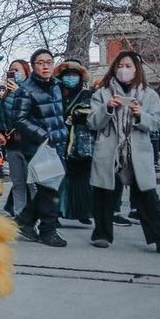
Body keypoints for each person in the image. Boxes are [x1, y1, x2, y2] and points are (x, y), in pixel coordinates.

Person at [88, 51, 160, 254]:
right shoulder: (102, 93)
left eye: (129, 66)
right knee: (104, 194)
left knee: (147, 196)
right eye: (120, 66)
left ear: (137, 69)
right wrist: (107, 108)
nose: (124, 70)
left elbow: (156, 124)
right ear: (114, 68)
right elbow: (92, 122)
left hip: (138, 152)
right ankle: (101, 235)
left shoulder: (149, 94)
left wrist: (140, 115)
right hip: (110, 151)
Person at [10, 49, 68, 247]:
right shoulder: (26, 90)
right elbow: (19, 119)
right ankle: (48, 230)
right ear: (33, 66)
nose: (45, 66)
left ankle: (25, 221)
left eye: (49, 62)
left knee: (48, 189)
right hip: (38, 146)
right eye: (40, 63)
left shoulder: (57, 86)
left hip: (57, 144)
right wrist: (42, 134)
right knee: (49, 190)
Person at [56, 59, 94, 225]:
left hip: (80, 142)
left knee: (81, 178)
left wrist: (79, 115)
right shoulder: (55, 93)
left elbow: (94, 113)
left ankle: (82, 211)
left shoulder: (88, 95)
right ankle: (56, 212)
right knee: (59, 178)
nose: (70, 78)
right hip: (59, 140)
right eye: (67, 75)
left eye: (74, 75)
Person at [0, 59, 30, 217]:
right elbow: (3, 115)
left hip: (29, 142)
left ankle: (36, 214)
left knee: (33, 182)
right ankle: (19, 214)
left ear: (26, 72)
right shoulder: (5, 94)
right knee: (18, 182)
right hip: (12, 142)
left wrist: (19, 93)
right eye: (11, 70)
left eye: (17, 70)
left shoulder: (30, 90)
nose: (14, 73)